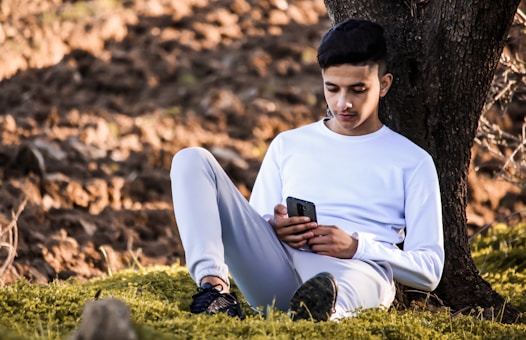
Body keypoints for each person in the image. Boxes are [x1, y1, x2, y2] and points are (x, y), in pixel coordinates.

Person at [169, 18, 445, 321]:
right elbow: (255, 223)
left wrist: (356, 246)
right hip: (278, 267)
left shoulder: (413, 161)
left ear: (384, 85)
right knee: (191, 160)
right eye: (332, 88)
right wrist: (274, 227)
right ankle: (214, 292)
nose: (344, 103)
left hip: (357, 271)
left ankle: (321, 315)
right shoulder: (289, 144)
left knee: (352, 284)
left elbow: (429, 269)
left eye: (357, 90)